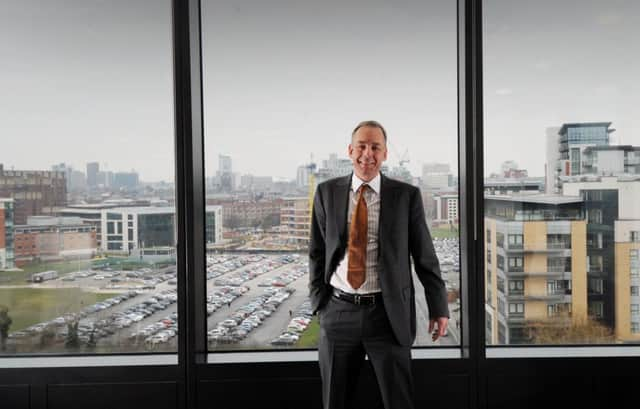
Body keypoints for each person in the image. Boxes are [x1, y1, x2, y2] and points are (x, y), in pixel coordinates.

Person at [309, 120, 449, 409]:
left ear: (385, 154)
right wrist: (319, 304)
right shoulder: (326, 192)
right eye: (361, 146)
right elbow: (317, 252)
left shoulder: (406, 196)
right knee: (334, 401)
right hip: (338, 313)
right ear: (350, 150)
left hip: (387, 316)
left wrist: (438, 307)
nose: (367, 154)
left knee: (398, 401)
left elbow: (424, 254)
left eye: (375, 147)